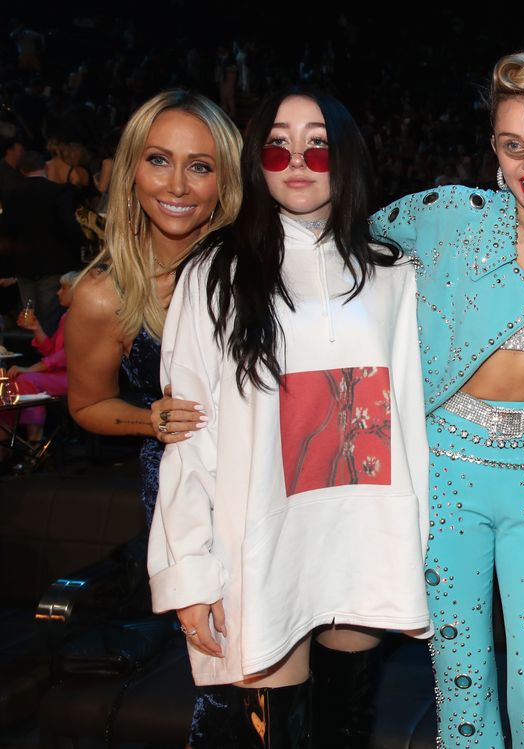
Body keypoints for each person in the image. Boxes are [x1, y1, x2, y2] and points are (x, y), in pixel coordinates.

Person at [148, 87, 431, 748]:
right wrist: (190, 574)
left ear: (346, 157)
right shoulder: (213, 273)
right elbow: (191, 440)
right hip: (262, 552)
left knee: (344, 732)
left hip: (361, 543)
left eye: (317, 144)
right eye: (278, 143)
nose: (297, 159)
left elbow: (410, 415)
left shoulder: (392, 273)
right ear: (256, 158)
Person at [368, 53, 524, 749]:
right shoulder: (451, 215)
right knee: (464, 699)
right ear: (495, 153)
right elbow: (352, 249)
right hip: (449, 472)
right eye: (513, 146)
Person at [64, 89, 243, 749]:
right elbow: (85, 405)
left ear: (225, 180)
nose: (176, 184)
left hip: (266, 485)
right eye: (159, 160)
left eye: (200, 166)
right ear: (130, 170)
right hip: (182, 494)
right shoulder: (103, 294)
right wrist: (149, 419)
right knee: (224, 674)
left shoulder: (253, 273)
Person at [3, 149, 84, 335]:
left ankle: (35, 355)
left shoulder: (11, 195)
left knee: (29, 314)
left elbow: (7, 230)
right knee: (51, 315)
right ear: (45, 167)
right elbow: (67, 225)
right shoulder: (58, 192)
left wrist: (7, 267)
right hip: (53, 262)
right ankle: (47, 359)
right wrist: (82, 243)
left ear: (22, 170)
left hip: (23, 264)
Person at [0, 270, 77, 447]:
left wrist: (28, 369)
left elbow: (65, 356)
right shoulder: (66, 317)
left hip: (76, 376)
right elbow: (52, 351)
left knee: (26, 378)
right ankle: (5, 443)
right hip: (61, 373)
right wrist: (37, 328)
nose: (58, 292)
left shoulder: (82, 318)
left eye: (63, 288)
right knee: (9, 386)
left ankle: (35, 442)